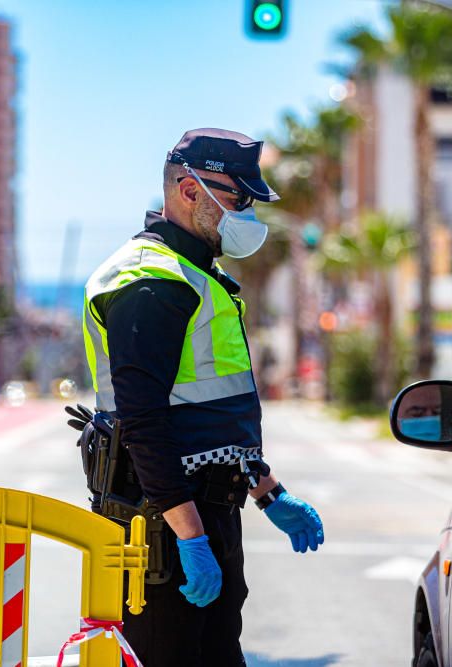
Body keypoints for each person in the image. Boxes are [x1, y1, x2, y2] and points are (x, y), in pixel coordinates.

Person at [81, 128, 324, 666]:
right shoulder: (151, 281)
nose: (247, 216)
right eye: (238, 199)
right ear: (191, 192)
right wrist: (190, 541)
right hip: (162, 533)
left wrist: (268, 493)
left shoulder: (195, 275)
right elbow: (144, 424)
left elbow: (210, 417)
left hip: (199, 517)